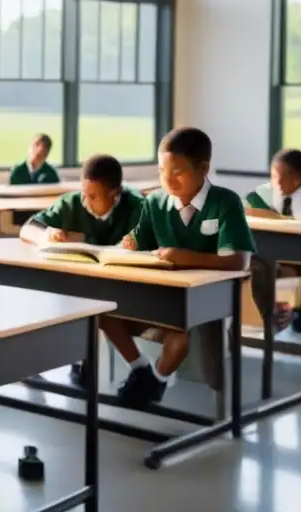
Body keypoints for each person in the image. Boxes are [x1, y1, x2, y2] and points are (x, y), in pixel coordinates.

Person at [105, 127, 255, 407]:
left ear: (204, 168)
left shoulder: (225, 202)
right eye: (162, 170)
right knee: (104, 313)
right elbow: (142, 244)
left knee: (179, 336)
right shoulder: (155, 202)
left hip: (203, 297)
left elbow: (239, 261)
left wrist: (187, 257)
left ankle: (156, 380)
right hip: (158, 291)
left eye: (178, 171)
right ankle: (142, 371)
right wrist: (129, 245)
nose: (168, 179)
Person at [20, 154, 145, 387]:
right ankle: (68, 362)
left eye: (94, 196)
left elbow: (143, 243)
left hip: (127, 284)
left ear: (115, 193)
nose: (86, 201)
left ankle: (137, 368)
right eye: (84, 194)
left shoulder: (137, 207)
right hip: (83, 284)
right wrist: (45, 235)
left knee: (97, 306)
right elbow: (29, 227)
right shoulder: (73, 202)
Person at [244, 148, 301, 336]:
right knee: (256, 266)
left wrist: (287, 221)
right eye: (273, 175)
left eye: (282, 176)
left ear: (297, 177)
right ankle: (269, 318)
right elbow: (246, 209)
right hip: (274, 257)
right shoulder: (266, 194)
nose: (276, 181)